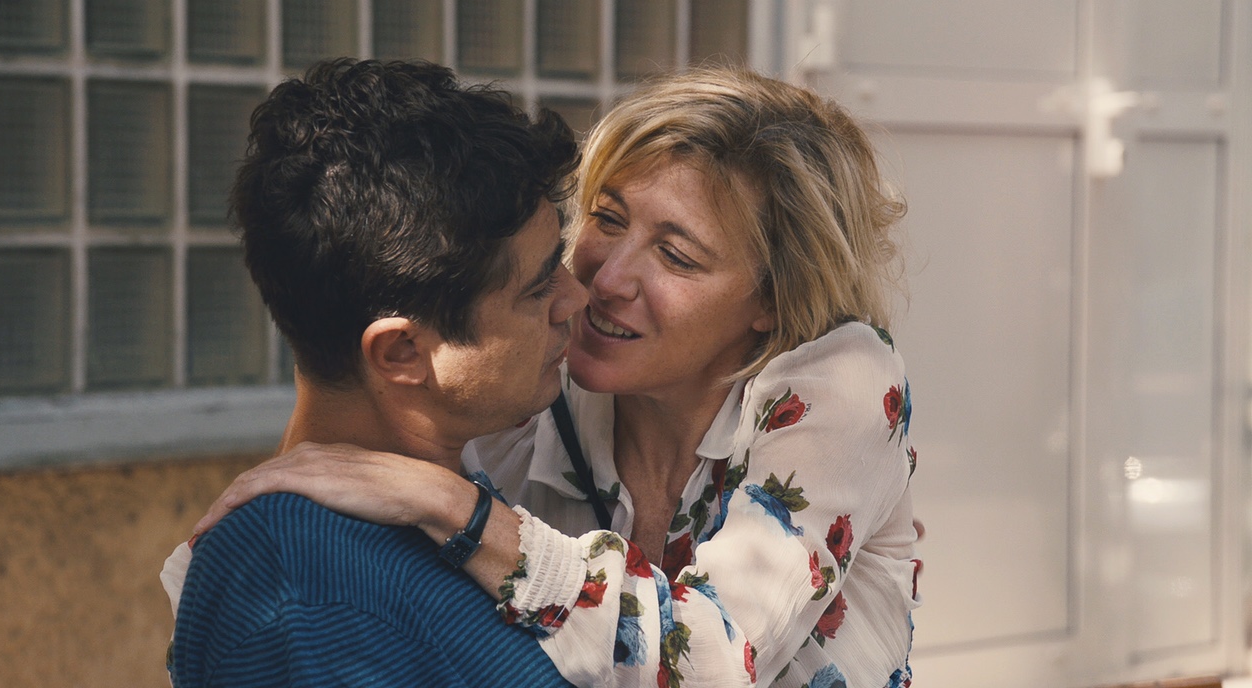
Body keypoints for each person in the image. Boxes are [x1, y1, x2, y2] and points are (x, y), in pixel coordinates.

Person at [181, 66, 920, 688]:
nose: (602, 281)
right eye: (606, 217)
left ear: (772, 301)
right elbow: (345, 453)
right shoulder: (536, 386)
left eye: (678, 256)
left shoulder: (838, 388)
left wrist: (452, 504)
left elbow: (714, 655)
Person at [162, 58, 587, 687]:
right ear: (401, 354)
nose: (576, 298)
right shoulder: (302, 590)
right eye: (536, 288)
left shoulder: (467, 492)